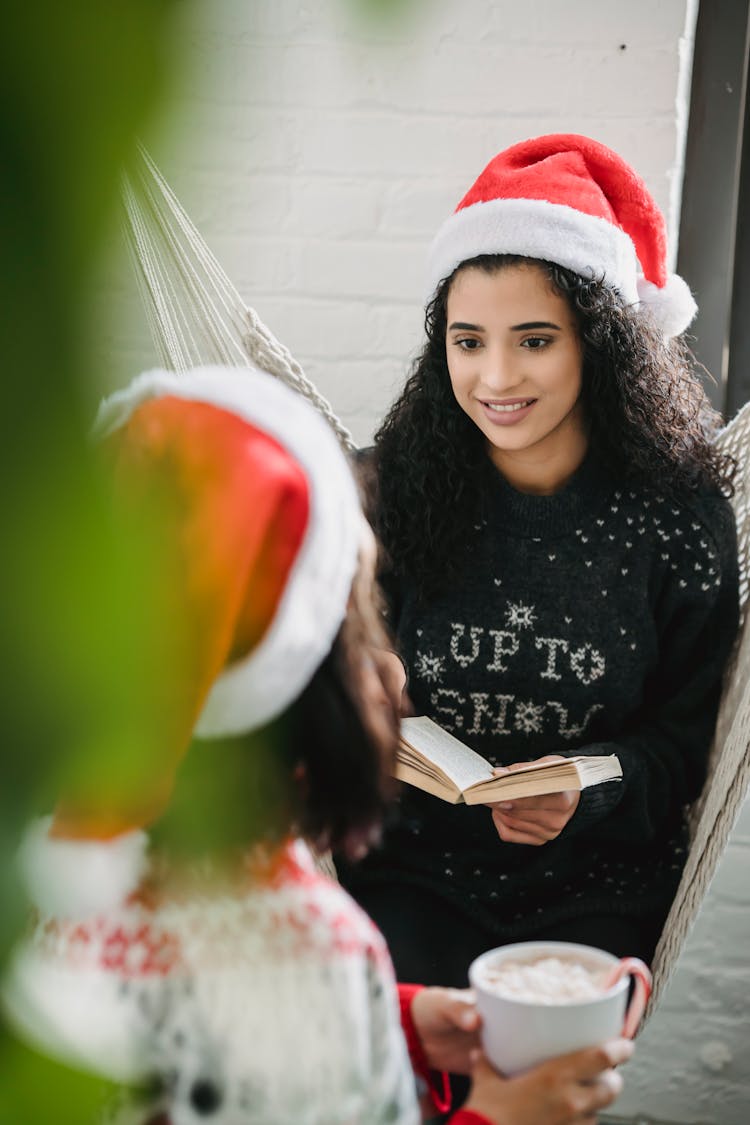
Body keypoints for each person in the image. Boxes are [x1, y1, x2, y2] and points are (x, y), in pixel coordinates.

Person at [2, 363, 632, 1124]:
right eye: (362, 594)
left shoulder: (36, 862)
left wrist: (391, 1021)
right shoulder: (305, 954)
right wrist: (496, 1116)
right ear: (317, 663)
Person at [338, 133, 740, 988]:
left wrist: (585, 790)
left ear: (599, 344)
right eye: (468, 340)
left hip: (593, 890)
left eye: (533, 340)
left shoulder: (681, 524)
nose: (494, 376)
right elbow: (308, 661)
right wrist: (361, 675)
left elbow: (682, 746)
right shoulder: (391, 491)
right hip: (406, 873)